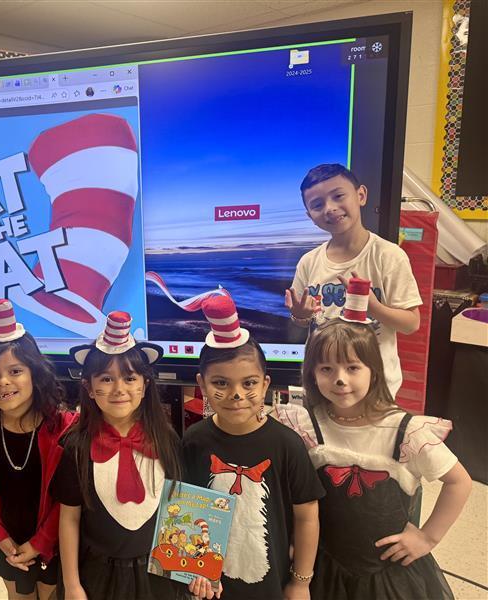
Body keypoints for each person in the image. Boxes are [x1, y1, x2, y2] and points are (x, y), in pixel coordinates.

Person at [275, 282, 471, 599]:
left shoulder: (407, 431)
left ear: (374, 372)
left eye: (353, 367)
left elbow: (459, 482)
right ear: (312, 374)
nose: (340, 378)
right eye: (326, 368)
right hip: (324, 567)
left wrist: (427, 538)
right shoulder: (308, 426)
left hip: (388, 577)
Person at [182, 293, 324, 600]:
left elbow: (307, 515)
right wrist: (195, 569)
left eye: (248, 383)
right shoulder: (193, 439)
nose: (236, 394)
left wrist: (301, 581)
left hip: (268, 585)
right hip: (210, 585)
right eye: (220, 383)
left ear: (265, 383)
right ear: (202, 384)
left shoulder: (286, 444)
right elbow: (185, 509)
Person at [52, 311, 187, 600]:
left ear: (145, 384)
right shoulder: (77, 447)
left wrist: (193, 572)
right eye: (106, 379)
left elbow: (180, 510)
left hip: (158, 573)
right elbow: (69, 519)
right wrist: (72, 584)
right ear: (89, 388)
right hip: (98, 575)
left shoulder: (168, 441)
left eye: (129, 377)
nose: (119, 389)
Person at [0, 299, 76, 600]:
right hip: (6, 543)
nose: (3, 382)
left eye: (15, 371)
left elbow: (67, 503)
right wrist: (0, 539)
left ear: (34, 374)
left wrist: (41, 543)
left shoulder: (64, 430)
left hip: (53, 543)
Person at [286, 163, 421, 397]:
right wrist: (301, 315)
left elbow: (411, 324)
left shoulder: (388, 256)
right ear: (310, 216)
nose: (330, 208)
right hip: (322, 384)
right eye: (317, 205)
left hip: (375, 388)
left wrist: (373, 307)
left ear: (361, 195)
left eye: (338, 196)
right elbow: (303, 323)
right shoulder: (308, 262)